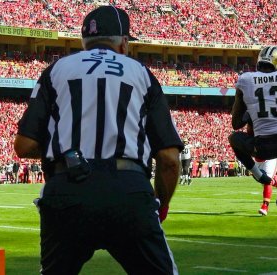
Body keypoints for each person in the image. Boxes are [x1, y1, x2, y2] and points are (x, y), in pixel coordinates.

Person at [14, 6, 183, 274]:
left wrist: (67, 152)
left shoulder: (56, 70)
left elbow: (23, 145)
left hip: (67, 191)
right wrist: (160, 205)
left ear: (84, 41)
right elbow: (170, 160)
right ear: (124, 42)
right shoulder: (141, 73)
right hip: (128, 192)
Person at [229, 46, 277, 185]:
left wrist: (251, 113)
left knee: (234, 138)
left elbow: (236, 124)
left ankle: (258, 175)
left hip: (261, 147)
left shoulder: (245, 79)